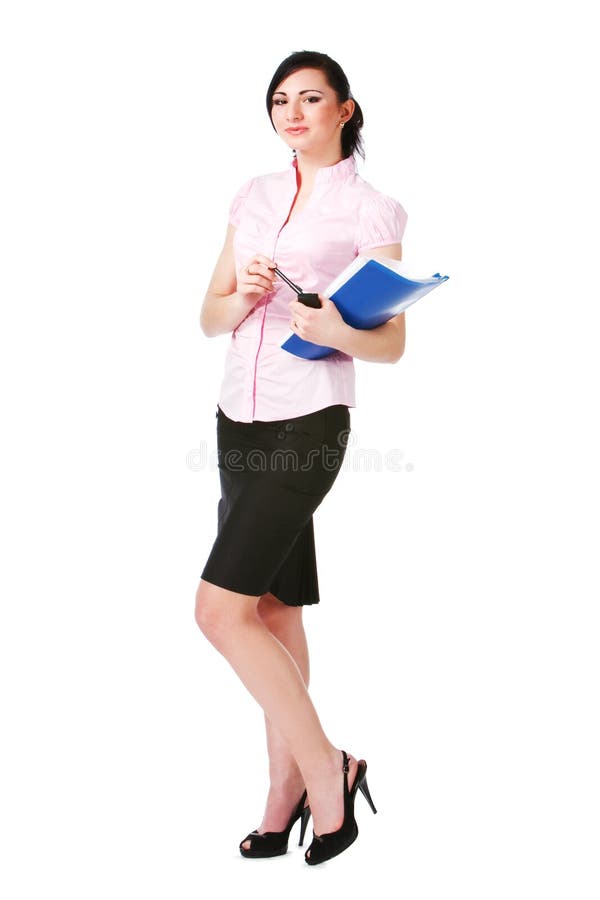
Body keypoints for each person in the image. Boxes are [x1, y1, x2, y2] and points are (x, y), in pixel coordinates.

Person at [194, 50, 407, 865]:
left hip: (308, 418)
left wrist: (332, 330)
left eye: (311, 99)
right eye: (281, 99)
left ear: (344, 109)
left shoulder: (373, 210)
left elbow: (390, 341)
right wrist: (241, 293)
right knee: (272, 610)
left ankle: (328, 768)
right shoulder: (250, 196)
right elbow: (209, 318)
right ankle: (284, 793)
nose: (293, 112)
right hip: (235, 415)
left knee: (218, 611)